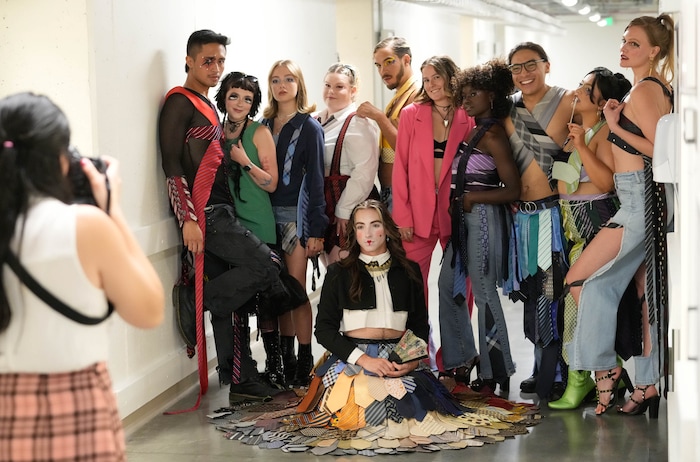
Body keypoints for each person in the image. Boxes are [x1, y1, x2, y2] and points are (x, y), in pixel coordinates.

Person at [0, 92, 164, 460]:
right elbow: (149, 311)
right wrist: (112, 211)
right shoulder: (83, 226)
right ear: (58, 161)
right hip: (73, 404)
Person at [158, 30, 283, 403]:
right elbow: (172, 165)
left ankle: (239, 379)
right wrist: (188, 220)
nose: (216, 68)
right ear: (189, 61)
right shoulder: (179, 103)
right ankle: (198, 300)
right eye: (208, 60)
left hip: (222, 210)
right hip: (207, 214)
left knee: (237, 301)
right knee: (267, 265)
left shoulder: (206, 105)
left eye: (221, 61)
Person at [565, 14, 674, 417]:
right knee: (641, 296)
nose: (624, 48)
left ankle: (606, 365)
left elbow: (656, 152)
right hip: (643, 199)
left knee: (579, 279)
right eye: (625, 41)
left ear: (654, 51)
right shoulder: (652, 87)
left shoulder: (646, 90)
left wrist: (613, 125)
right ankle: (645, 381)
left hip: (638, 200)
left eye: (634, 43)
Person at [548, 68, 633, 410]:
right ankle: (594, 374)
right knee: (575, 306)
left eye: (586, 88)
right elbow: (563, 183)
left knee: (580, 307)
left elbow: (604, 184)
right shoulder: (577, 131)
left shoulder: (599, 135)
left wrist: (581, 145)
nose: (577, 90)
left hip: (596, 228)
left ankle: (589, 376)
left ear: (601, 103)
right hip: (573, 232)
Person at [215, 71, 301, 390]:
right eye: (234, 95)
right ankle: (241, 370)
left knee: (266, 298)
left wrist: (243, 161)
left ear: (253, 105)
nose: (239, 103)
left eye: (247, 99)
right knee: (239, 300)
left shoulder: (258, 132)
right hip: (227, 226)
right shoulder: (215, 131)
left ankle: (275, 366)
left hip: (258, 222)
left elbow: (272, 181)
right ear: (224, 96)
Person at [439, 59, 521, 394]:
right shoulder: (476, 130)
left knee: (484, 293)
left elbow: (513, 189)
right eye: (465, 93)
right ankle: (464, 357)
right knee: (448, 287)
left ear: (493, 95)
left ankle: (496, 371)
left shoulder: (496, 134)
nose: (468, 99)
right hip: (463, 222)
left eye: (476, 93)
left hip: (483, 219)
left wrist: (473, 200)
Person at [503, 42, 575, 399]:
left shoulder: (569, 100)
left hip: (552, 213)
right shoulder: (508, 109)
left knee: (554, 292)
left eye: (530, 65)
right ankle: (537, 366)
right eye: (515, 68)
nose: (524, 74)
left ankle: (558, 369)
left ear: (547, 65)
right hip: (520, 217)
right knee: (531, 294)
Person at [261, 59, 327, 387]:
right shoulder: (262, 124)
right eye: (275, 80)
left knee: (297, 292)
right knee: (274, 295)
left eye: (289, 79)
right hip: (262, 220)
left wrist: (317, 229)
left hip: (295, 221)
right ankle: (283, 360)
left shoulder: (310, 126)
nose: (281, 85)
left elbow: (317, 180)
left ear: (299, 84)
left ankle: (304, 359)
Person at [316, 63, 379, 265]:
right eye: (327, 85)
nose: (331, 91)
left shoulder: (358, 122)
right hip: (324, 205)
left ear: (353, 91)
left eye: (339, 87)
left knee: (345, 272)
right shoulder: (316, 119)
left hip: (348, 205)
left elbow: (364, 173)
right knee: (332, 272)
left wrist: (344, 211)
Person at [357, 37, 419, 211]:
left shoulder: (416, 95)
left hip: (403, 191)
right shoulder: (401, 94)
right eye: (378, 65)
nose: (383, 71)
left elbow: (406, 150)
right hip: (390, 190)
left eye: (389, 62)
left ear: (406, 60)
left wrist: (379, 117)